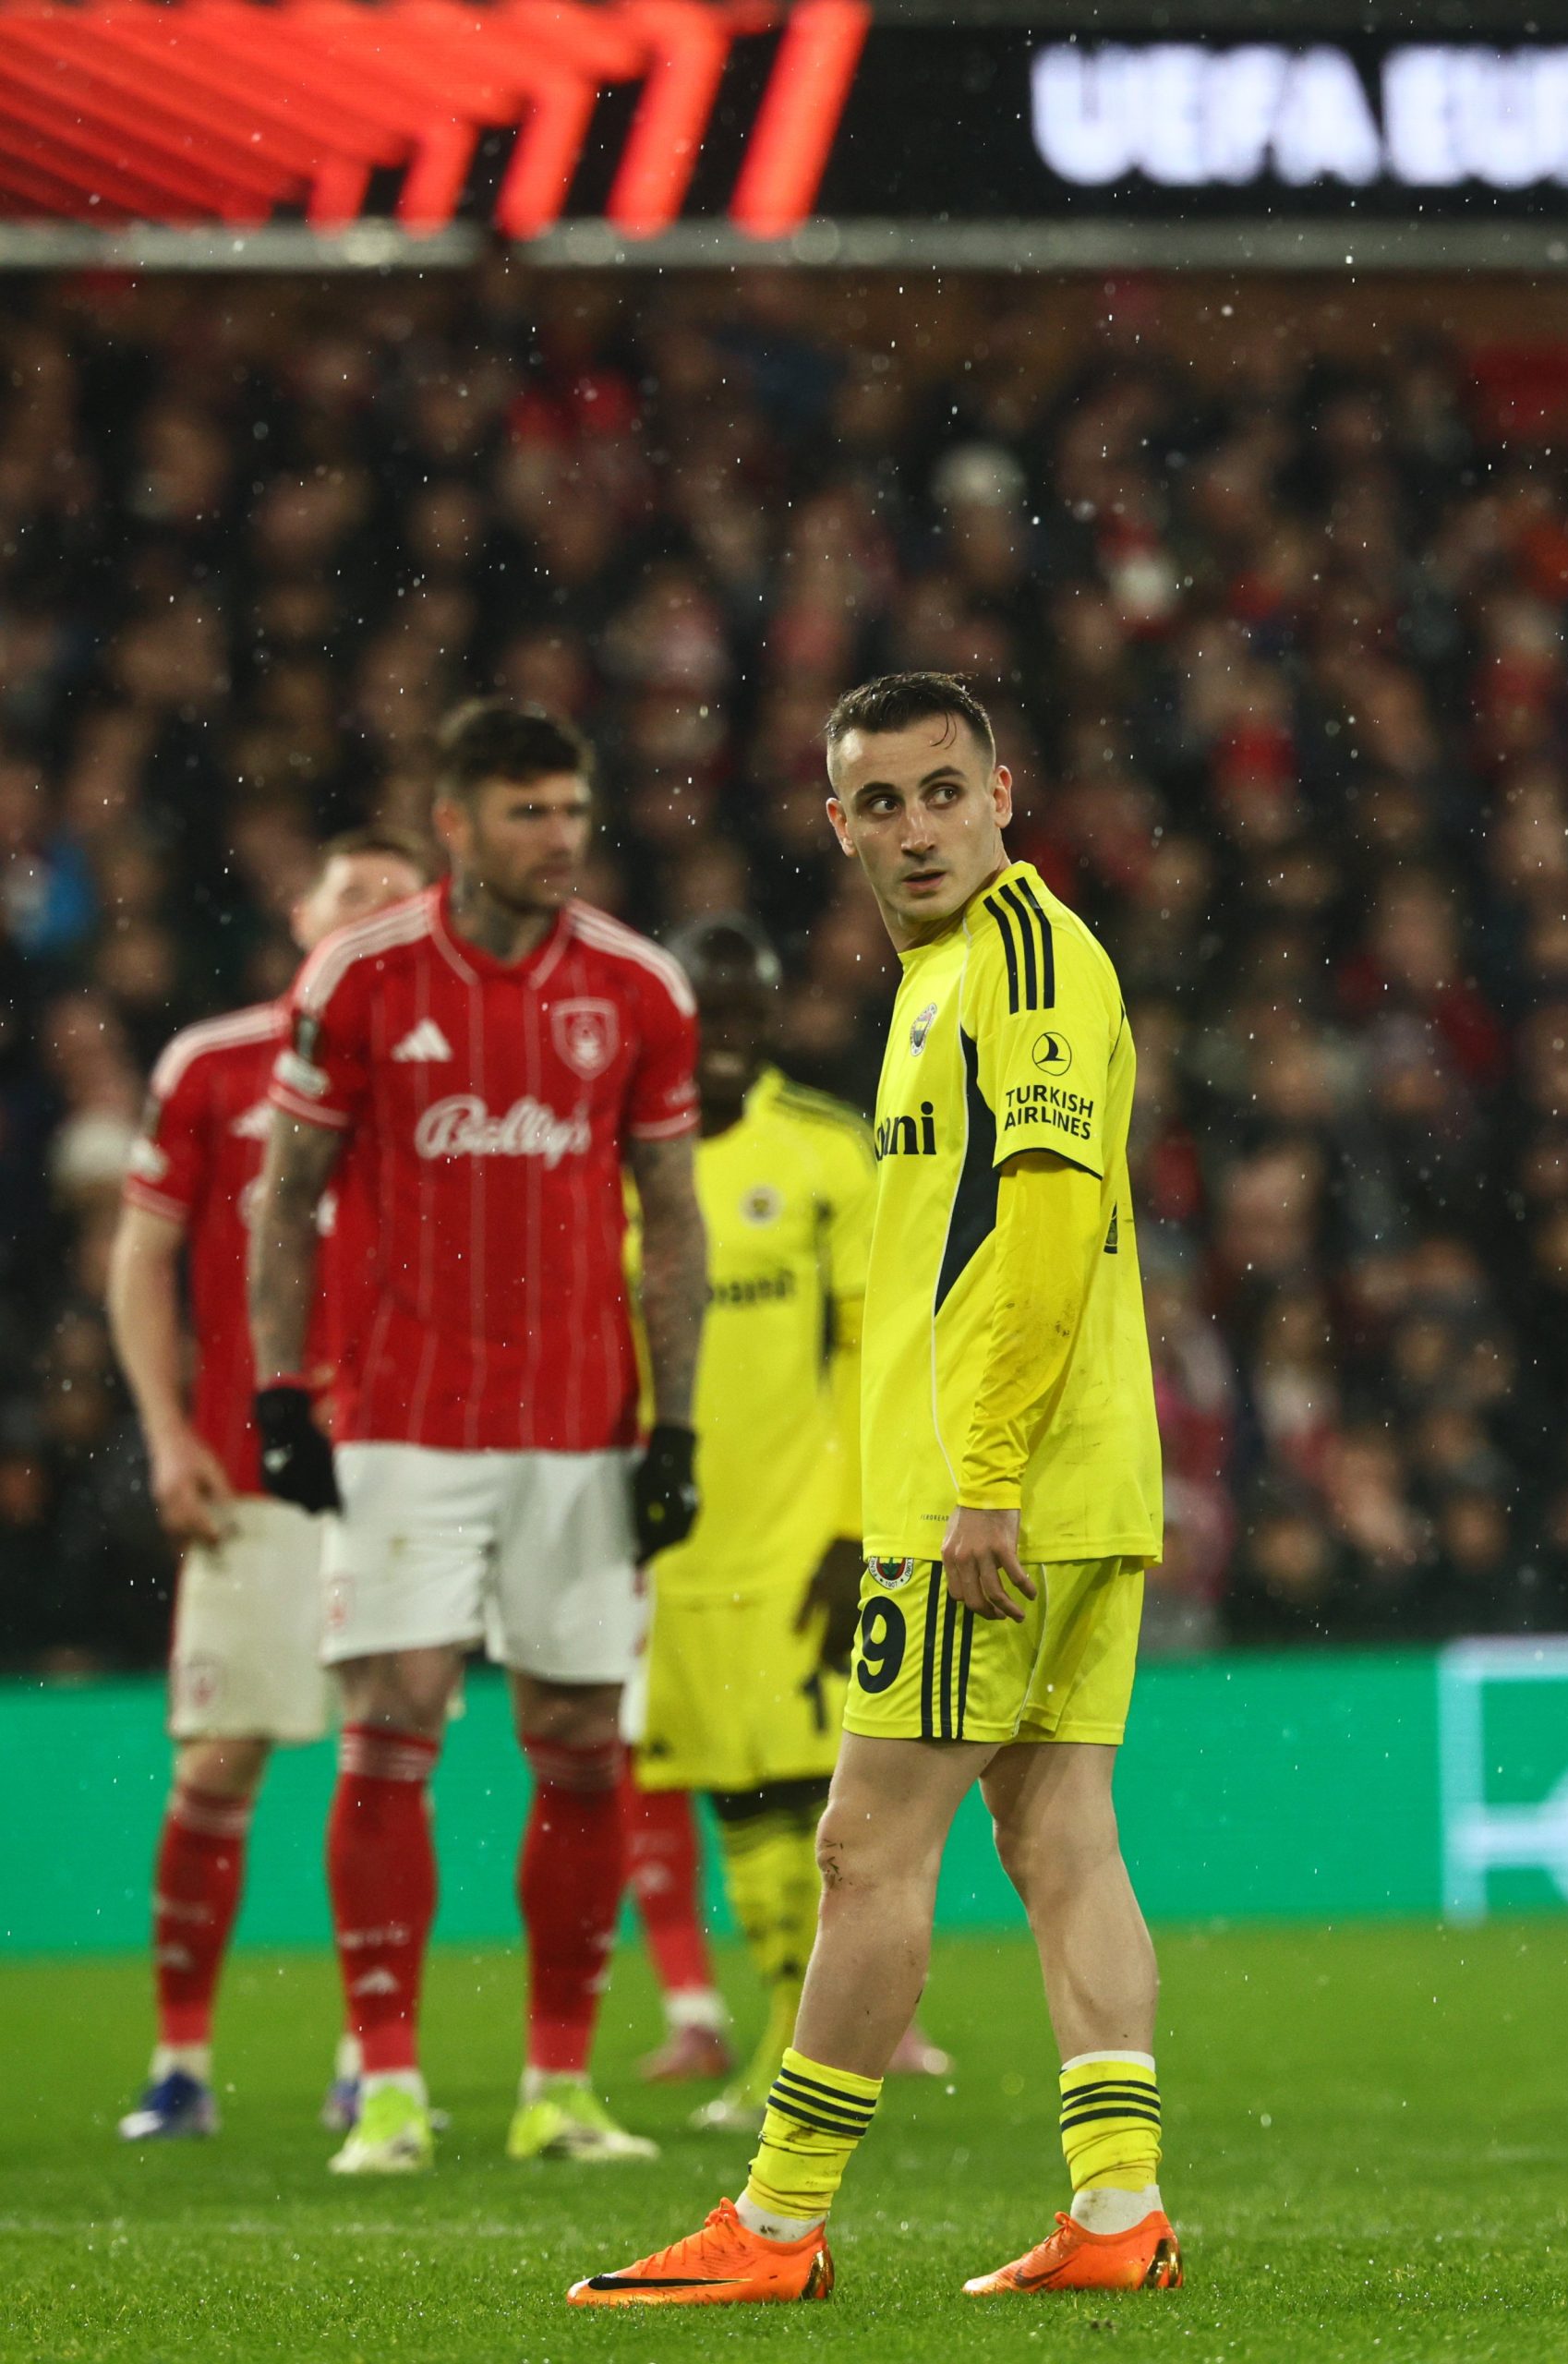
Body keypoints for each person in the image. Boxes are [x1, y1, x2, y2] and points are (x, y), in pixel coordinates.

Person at [571, 670, 1176, 2308]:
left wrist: (982, 1480)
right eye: (881, 803)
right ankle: (1119, 2209)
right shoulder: (945, 975)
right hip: (1059, 1480)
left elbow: (1044, 1232)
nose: (916, 828)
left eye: (941, 790)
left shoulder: (1026, 964)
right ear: (839, 825)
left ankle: (773, 2225)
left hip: (998, 1496)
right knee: (1060, 1835)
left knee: (862, 1847)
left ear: (1004, 793)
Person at [247, 699, 707, 2174]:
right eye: (526, 813)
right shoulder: (364, 979)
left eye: (572, 810)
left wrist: (676, 1425)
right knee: (394, 1717)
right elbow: (287, 1198)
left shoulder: (637, 988)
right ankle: (386, 2082)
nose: (558, 838)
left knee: (577, 1743)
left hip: (582, 1430)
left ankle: (556, 2088)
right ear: (453, 825)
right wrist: (277, 1394)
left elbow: (675, 1221)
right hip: (404, 1426)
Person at [108, 826, 430, 2141]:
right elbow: (141, 1259)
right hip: (250, 1472)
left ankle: (377, 2059)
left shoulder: (450, 1071)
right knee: (221, 1764)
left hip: (405, 1470)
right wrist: (168, 1434)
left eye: (394, 901)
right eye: (347, 893)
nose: (365, 914)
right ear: (300, 913)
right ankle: (182, 2062)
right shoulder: (212, 1064)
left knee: (382, 1759)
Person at [621, 914, 947, 2134]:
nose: (724, 1046)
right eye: (706, 1021)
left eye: (747, 1022)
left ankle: (797, 2057)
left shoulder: (822, 1152)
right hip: (673, 1541)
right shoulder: (615, 1163)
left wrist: (859, 1523)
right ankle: (781, 2041)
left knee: (816, 1804)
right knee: (733, 1800)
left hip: (805, 1530)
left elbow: (878, 1348)